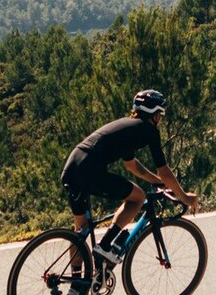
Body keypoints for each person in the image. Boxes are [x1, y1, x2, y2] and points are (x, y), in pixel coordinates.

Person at [61, 89, 199, 264]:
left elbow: (132, 164)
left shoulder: (127, 127)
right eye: (161, 115)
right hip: (90, 171)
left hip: (71, 167)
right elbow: (164, 170)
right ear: (156, 115)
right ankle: (105, 245)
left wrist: (157, 182)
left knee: (80, 230)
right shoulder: (149, 130)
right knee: (138, 197)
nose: (161, 119)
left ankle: (77, 286)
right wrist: (184, 197)